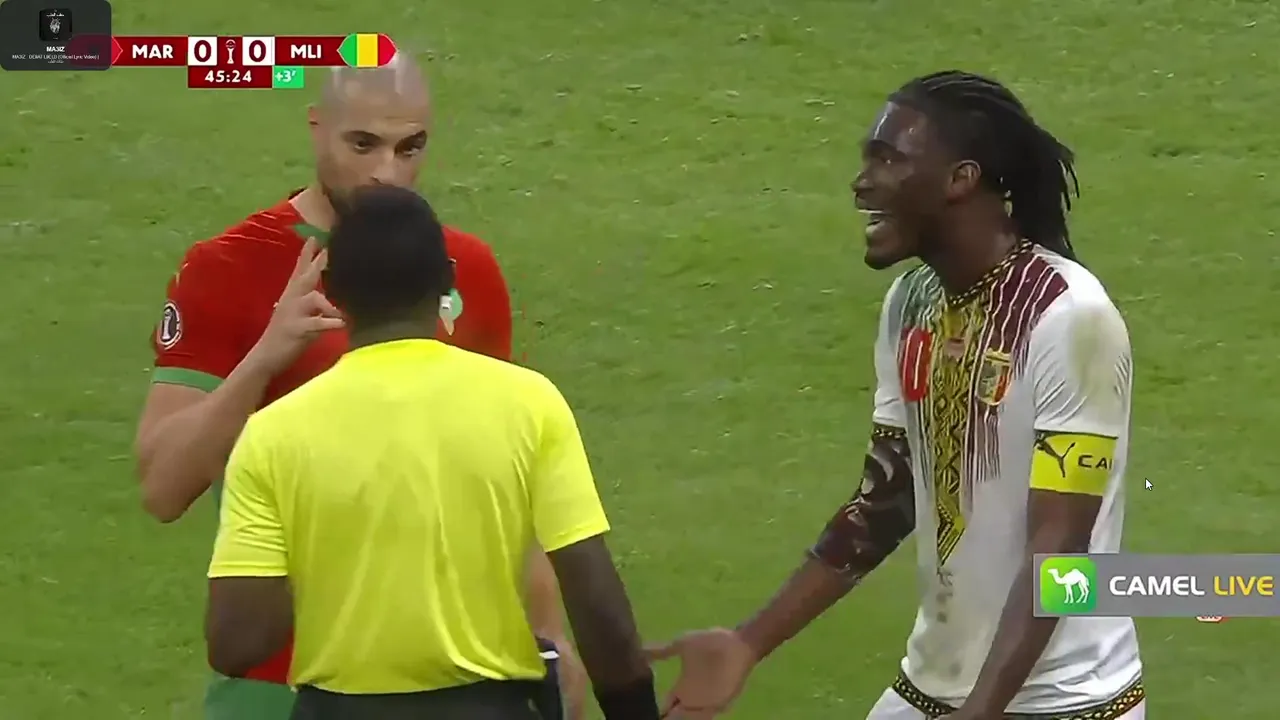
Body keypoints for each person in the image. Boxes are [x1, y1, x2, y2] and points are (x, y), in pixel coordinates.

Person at [646, 70, 1144, 719]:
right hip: (933, 688)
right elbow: (887, 500)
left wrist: (982, 710)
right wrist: (749, 642)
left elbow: (1059, 549)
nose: (862, 183)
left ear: (960, 179)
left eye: (887, 159)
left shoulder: (1071, 318)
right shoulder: (912, 305)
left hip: (1064, 702)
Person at [133, 53, 587, 720]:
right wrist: (264, 358)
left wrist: (549, 637)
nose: (387, 173)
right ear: (317, 127)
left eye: (410, 148)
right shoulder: (227, 268)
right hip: (276, 685)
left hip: (450, 684)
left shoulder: (464, 269)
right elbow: (162, 488)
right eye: (363, 144)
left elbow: (511, 475)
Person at [204, 184, 658, 720]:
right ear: (447, 278)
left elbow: (236, 643)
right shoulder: (529, 404)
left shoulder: (272, 433)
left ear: (331, 288)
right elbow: (595, 600)